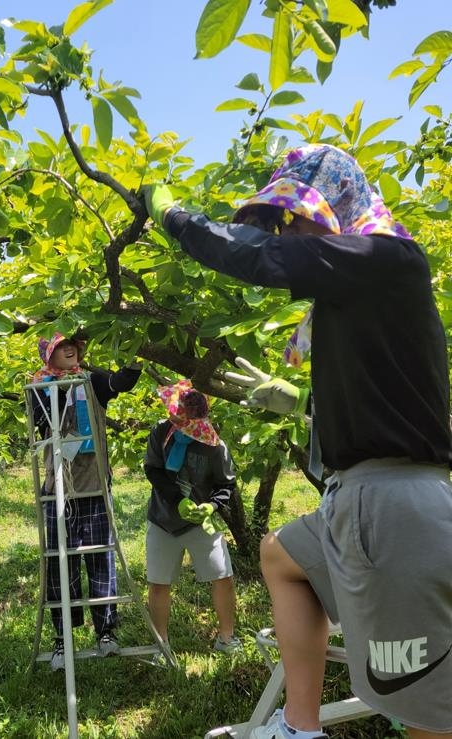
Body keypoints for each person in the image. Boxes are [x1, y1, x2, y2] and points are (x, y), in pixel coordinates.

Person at [143, 144, 452, 739]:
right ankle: (300, 726)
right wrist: (305, 403)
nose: (291, 228)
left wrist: (174, 216)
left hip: (389, 508)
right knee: (281, 557)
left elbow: (260, 257)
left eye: (297, 213)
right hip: (358, 498)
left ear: (338, 201)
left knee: (422, 712)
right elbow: (387, 397)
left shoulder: (388, 256)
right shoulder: (362, 292)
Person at [30, 332, 142, 670]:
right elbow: (40, 421)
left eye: (74, 345)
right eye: (61, 345)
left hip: (93, 481)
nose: (69, 348)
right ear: (48, 354)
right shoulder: (40, 387)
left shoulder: (92, 380)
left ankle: (105, 631)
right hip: (59, 484)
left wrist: (135, 348)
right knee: (60, 564)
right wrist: (61, 386)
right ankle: (62, 638)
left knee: (100, 557)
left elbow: (123, 381)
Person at [143, 379, 241, 655]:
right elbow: (153, 469)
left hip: (201, 523)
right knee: (159, 581)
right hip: (163, 519)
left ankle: (226, 637)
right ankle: (161, 643)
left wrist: (211, 507)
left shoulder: (213, 445)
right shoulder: (161, 433)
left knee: (222, 575)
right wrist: (177, 499)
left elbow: (226, 484)